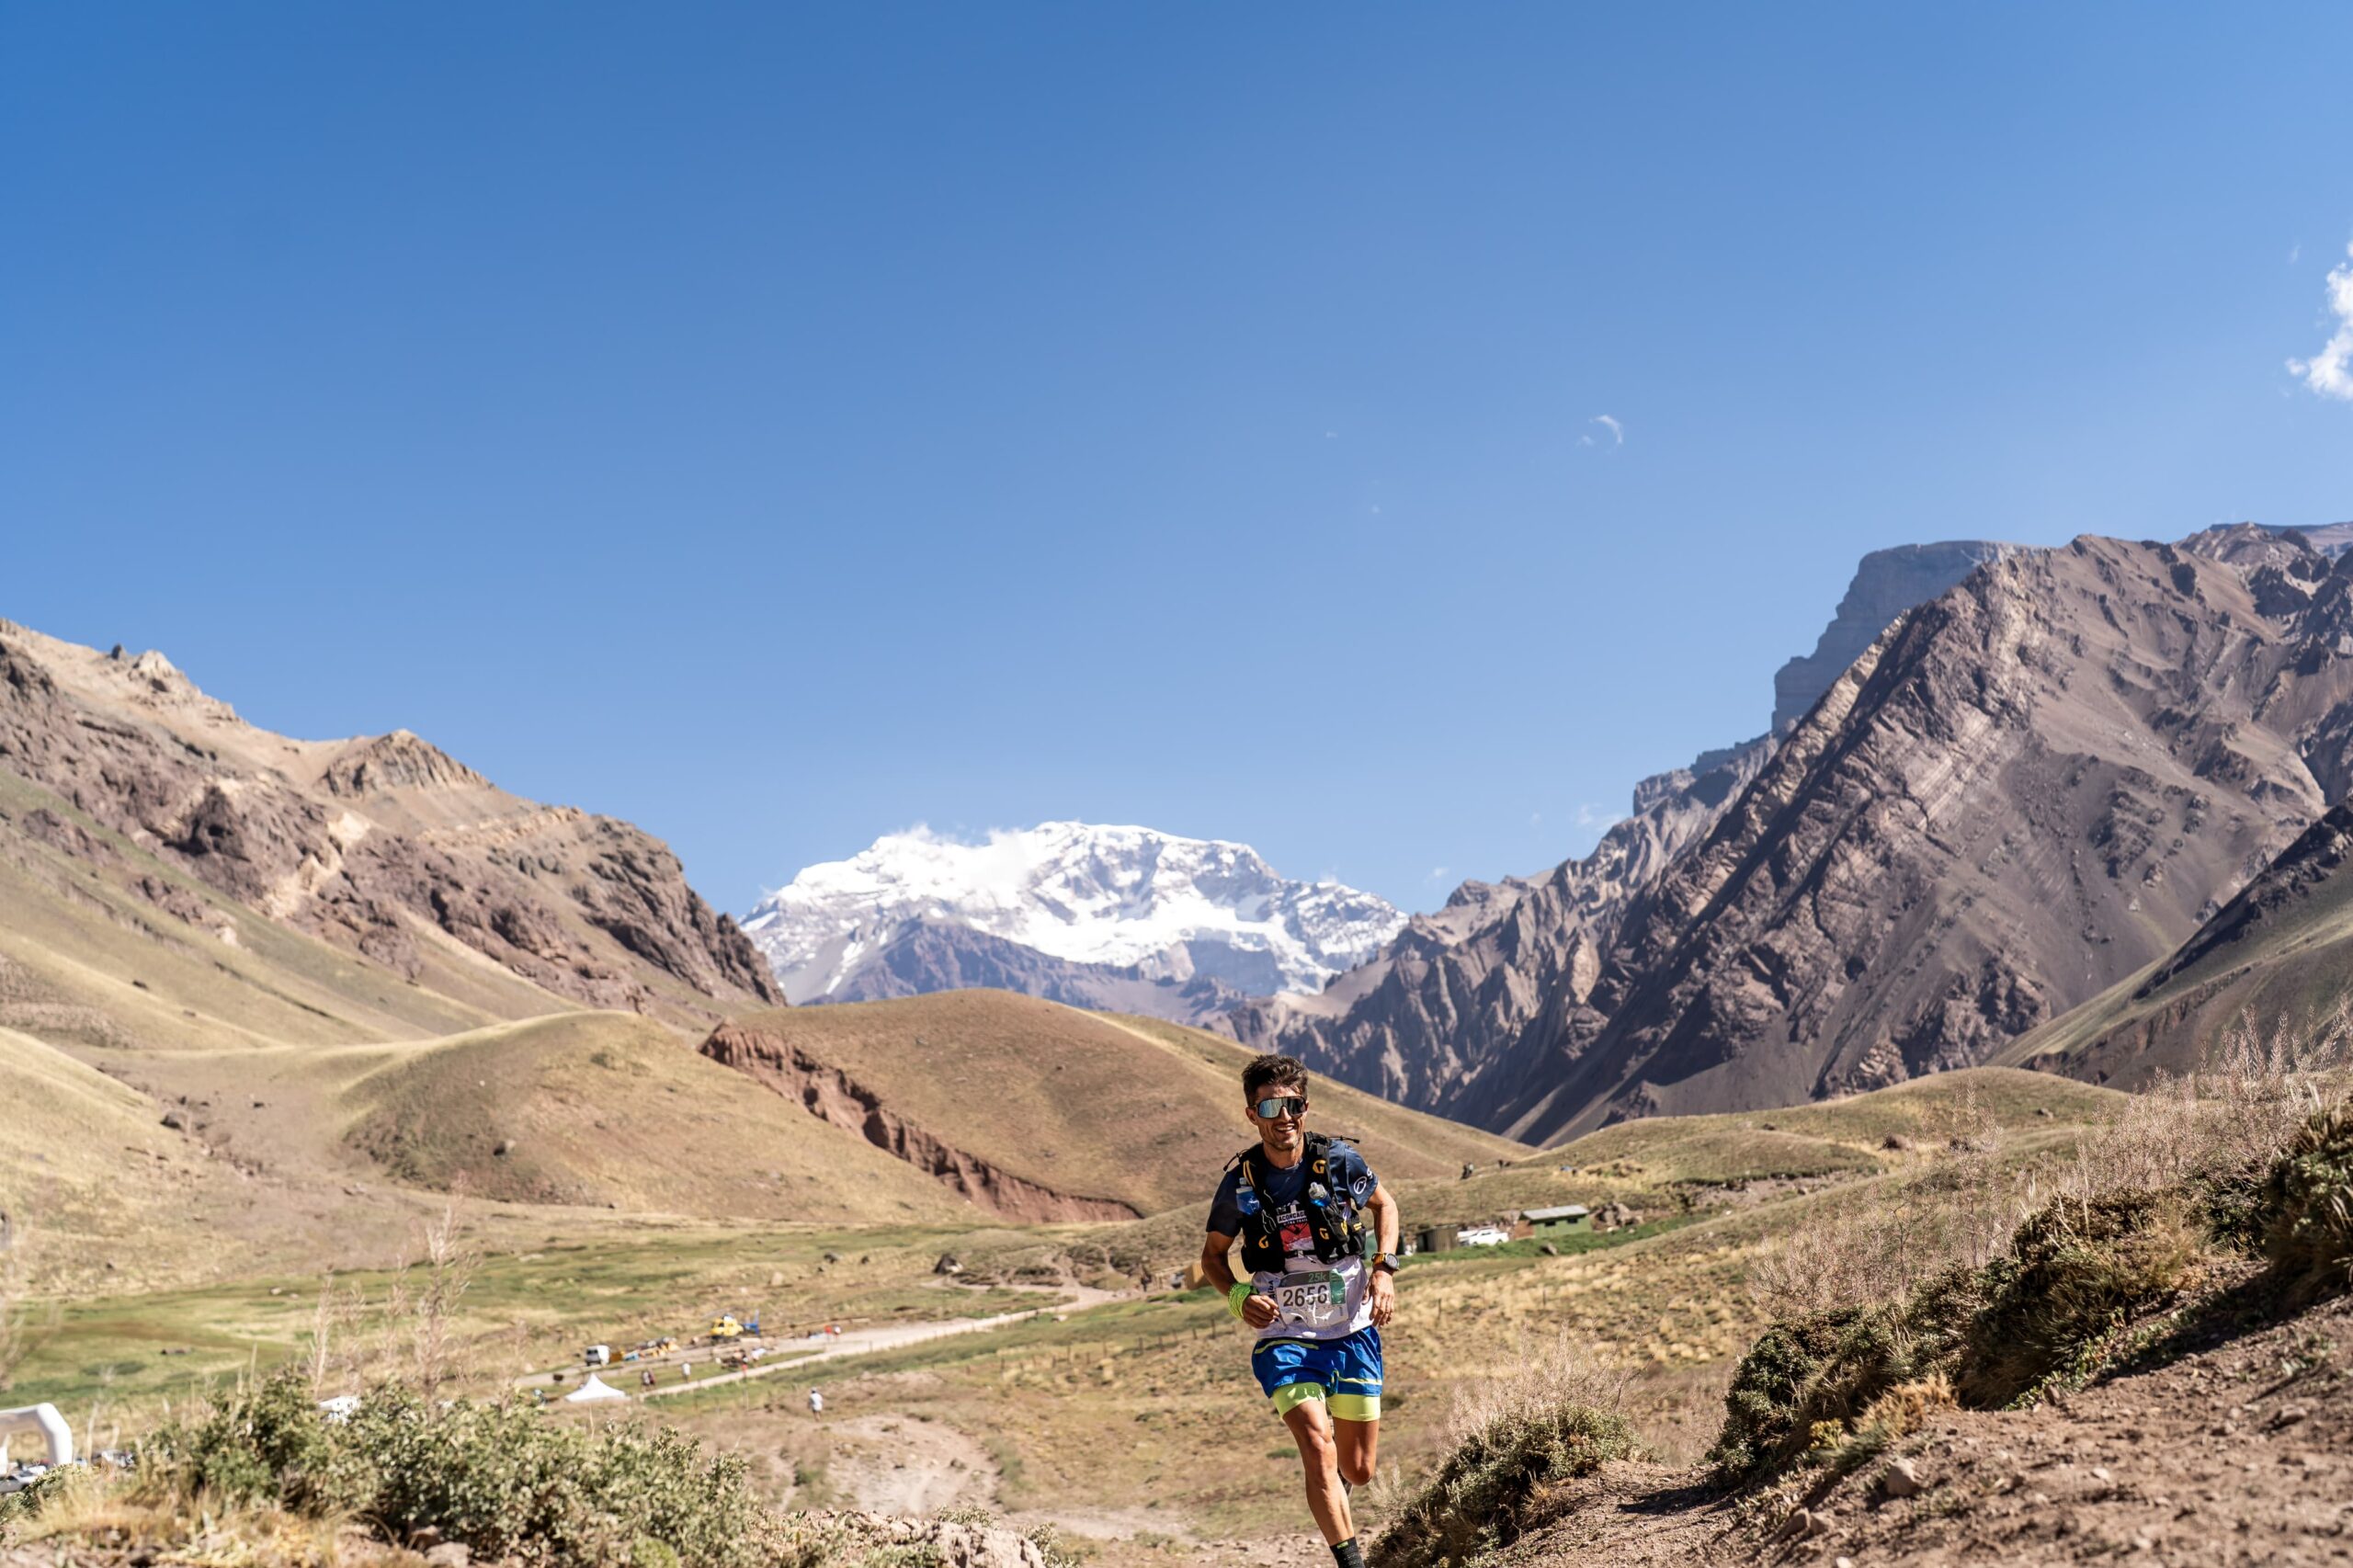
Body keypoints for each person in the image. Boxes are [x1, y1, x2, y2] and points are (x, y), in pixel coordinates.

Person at [1201, 1054, 1399, 1568]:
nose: (1283, 1115)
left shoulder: (1338, 1162)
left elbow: (1386, 1206)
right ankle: (1350, 1560)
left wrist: (1383, 1269)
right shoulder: (1240, 1183)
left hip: (1353, 1330)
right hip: (1285, 1338)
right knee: (1318, 1445)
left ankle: (1335, 1491)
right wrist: (1239, 1296)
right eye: (1271, 1105)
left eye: (1293, 1104)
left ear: (1304, 1107)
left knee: (1358, 1469)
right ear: (1252, 1114)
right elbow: (1212, 1257)